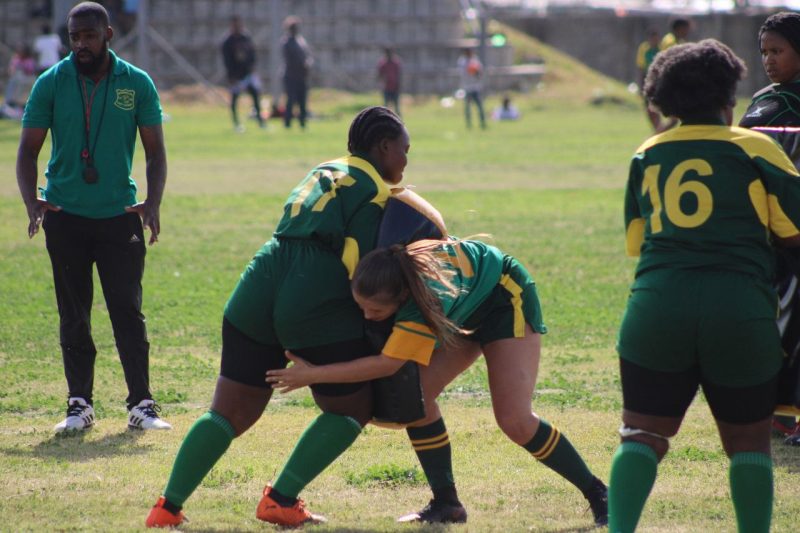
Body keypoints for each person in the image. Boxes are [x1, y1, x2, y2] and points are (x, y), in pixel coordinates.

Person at [144, 106, 411, 528]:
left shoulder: (325, 167)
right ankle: (280, 500)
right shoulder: (375, 187)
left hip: (262, 276)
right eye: (404, 150)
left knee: (228, 412)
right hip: (313, 284)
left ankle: (167, 508)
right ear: (382, 147)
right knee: (351, 408)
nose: (406, 161)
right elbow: (357, 265)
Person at [265, 238, 609, 528]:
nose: (367, 318)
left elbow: (389, 364)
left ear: (401, 299)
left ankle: (599, 493)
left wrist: (312, 375)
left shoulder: (421, 302)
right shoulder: (390, 270)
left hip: (505, 299)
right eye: (361, 308)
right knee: (418, 399)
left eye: (376, 312)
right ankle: (447, 505)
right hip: (463, 303)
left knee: (515, 421)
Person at [608, 39, 800, 532]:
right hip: (738, 310)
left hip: (656, 308)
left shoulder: (645, 153)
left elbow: (637, 240)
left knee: (641, 437)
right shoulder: (757, 147)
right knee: (750, 445)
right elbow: (794, 232)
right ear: (728, 94)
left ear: (661, 97)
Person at [16, 1, 170, 434]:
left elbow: (155, 152)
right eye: (74, 37)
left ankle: (142, 404)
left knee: (127, 311)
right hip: (65, 216)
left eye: (88, 35)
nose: (80, 44)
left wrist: (152, 202)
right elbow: (27, 151)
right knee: (74, 313)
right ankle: (79, 403)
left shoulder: (136, 83)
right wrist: (33, 202)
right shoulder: (52, 82)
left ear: (108, 35)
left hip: (120, 215)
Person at [739, 11, 800, 447]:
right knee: (774, 323)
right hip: (767, 235)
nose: (769, 60)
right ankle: (781, 412)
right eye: (764, 52)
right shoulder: (762, 99)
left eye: (777, 51)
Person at [221, 15, 265, 132]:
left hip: (247, 74)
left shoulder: (245, 37)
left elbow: (252, 53)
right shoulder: (228, 41)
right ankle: (236, 123)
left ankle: (260, 121)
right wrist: (231, 76)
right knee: (235, 100)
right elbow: (227, 60)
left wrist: (252, 68)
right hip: (236, 76)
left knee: (255, 96)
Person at [280, 15, 312, 129]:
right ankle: (287, 123)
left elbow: (307, 56)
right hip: (291, 76)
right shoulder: (286, 42)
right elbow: (290, 60)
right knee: (291, 100)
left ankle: (302, 122)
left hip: (302, 76)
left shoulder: (301, 40)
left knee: (302, 101)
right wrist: (301, 65)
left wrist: (308, 64)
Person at [635, 28, 662, 131]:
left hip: (658, 81)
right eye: (653, 39)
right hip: (647, 80)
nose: (655, 41)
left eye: (656, 39)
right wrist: (641, 84)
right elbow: (641, 67)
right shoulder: (644, 48)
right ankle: (656, 128)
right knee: (648, 107)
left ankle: (659, 127)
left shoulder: (660, 49)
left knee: (656, 107)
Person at [3, 44, 37, 113]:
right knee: (13, 80)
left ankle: (18, 104)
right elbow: (11, 70)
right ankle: (10, 102)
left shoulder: (30, 60)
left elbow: (31, 71)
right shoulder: (16, 59)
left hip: (27, 79)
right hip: (17, 80)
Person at [457, 48, 486, 130]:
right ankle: (469, 123)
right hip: (467, 87)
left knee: (480, 106)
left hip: (476, 87)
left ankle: (482, 122)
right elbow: (463, 73)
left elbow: (480, 71)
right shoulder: (462, 61)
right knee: (467, 107)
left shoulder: (475, 59)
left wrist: (476, 72)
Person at [377, 47, 402, 116]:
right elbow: (379, 75)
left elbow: (399, 74)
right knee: (385, 108)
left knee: (396, 107)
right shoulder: (383, 63)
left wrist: (399, 84)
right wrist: (381, 83)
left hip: (395, 87)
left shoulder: (396, 62)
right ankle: (386, 122)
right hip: (386, 87)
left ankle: (399, 124)